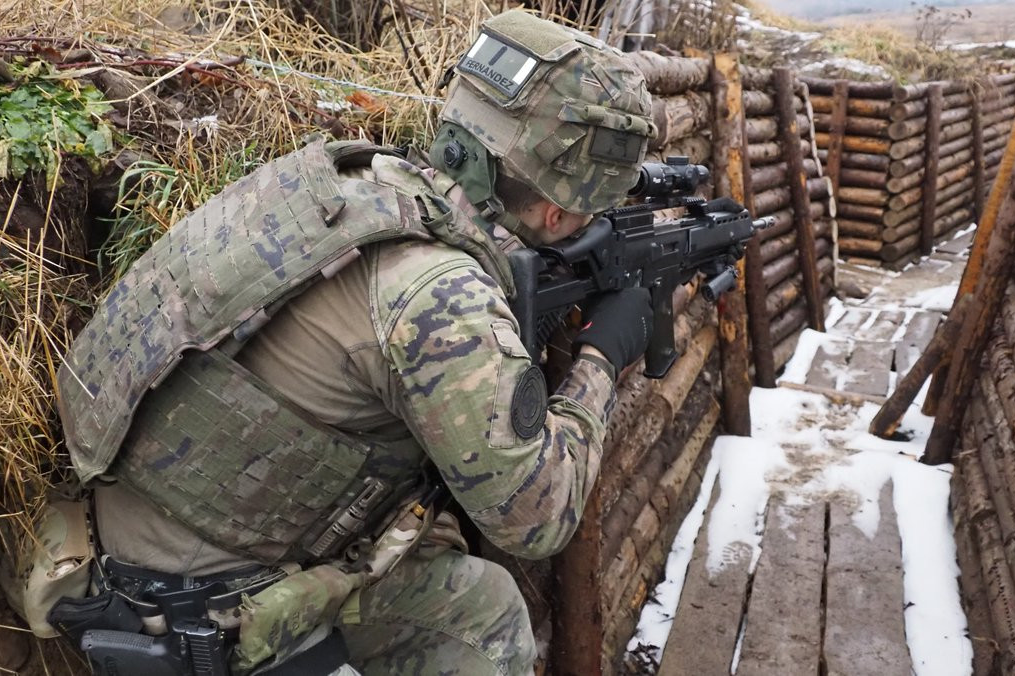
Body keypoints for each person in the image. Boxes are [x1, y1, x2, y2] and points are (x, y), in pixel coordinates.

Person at [50, 10, 656, 675]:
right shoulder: (439, 295)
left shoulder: (347, 186)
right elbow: (536, 517)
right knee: (485, 613)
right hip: (204, 609)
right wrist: (602, 357)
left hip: (130, 539)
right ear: (557, 212)